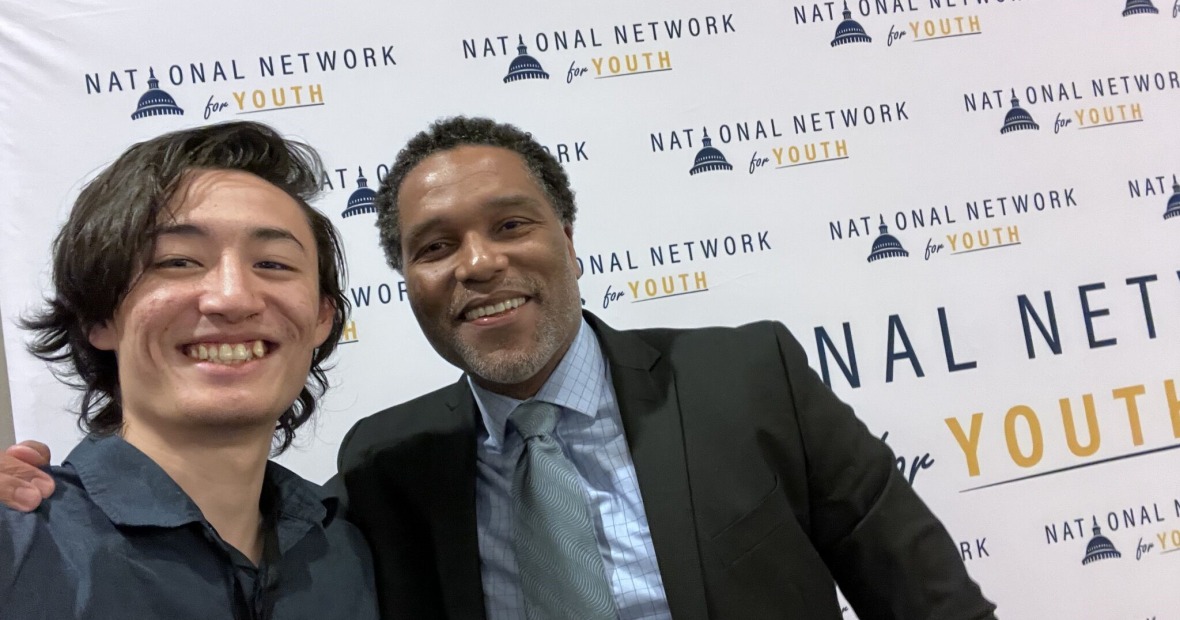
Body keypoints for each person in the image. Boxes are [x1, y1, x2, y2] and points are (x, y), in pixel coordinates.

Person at [2, 116, 997, 619]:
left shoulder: (749, 377)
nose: (478, 264)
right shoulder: (383, 474)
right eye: (435, 246)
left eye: (512, 225)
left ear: (569, 240)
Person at [0, 121, 378, 619]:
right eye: (178, 262)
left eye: (273, 264)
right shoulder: (20, 539)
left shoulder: (349, 551)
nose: (233, 298)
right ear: (98, 316)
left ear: (322, 318)